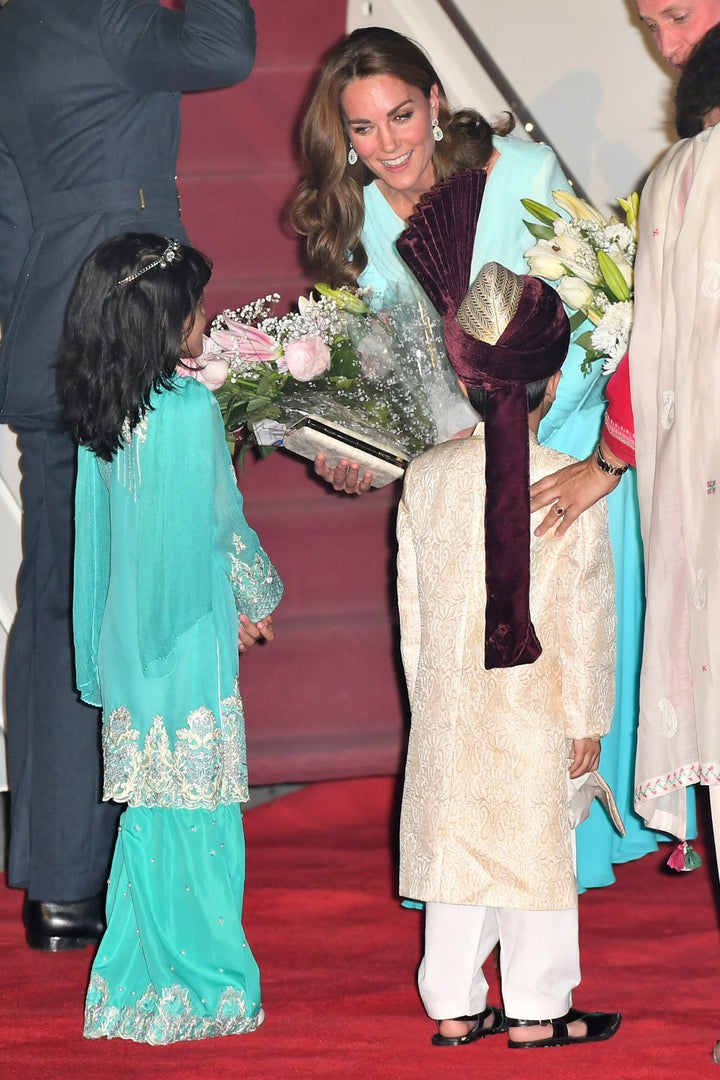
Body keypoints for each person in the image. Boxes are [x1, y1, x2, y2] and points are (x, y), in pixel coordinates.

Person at [290, 24, 658, 889]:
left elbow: (602, 316)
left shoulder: (522, 177)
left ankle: (565, 875)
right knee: (487, 687)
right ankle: (492, 876)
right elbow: (398, 382)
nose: (387, 145)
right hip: (465, 479)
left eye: (401, 115)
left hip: (563, 451)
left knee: (571, 662)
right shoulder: (359, 231)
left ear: (436, 105)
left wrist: (533, 433)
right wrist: (368, 453)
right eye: (363, 129)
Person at [0, 0, 257, 950]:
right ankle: (128, 867)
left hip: (49, 352)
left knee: (62, 611)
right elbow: (224, 49)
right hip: (122, 341)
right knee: (139, 612)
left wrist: (34, 332)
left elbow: (8, 212)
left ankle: (61, 882)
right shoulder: (101, 15)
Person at [56, 233, 283, 1043]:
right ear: (166, 319)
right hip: (188, 635)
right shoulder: (188, 410)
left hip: (126, 637)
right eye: (196, 309)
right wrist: (257, 593)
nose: (206, 321)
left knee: (152, 810)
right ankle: (209, 982)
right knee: (201, 807)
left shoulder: (102, 417)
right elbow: (219, 523)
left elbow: (95, 544)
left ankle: (134, 985)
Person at [396, 253, 620, 1050]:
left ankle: (453, 1005)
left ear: (467, 381)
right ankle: (536, 1007)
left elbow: (412, 612)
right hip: (537, 704)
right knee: (536, 848)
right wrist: (590, 715)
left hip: (453, 701)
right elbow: (589, 610)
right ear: (553, 384)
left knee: (455, 845)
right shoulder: (570, 482)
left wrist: (431, 703)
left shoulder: (423, 478)